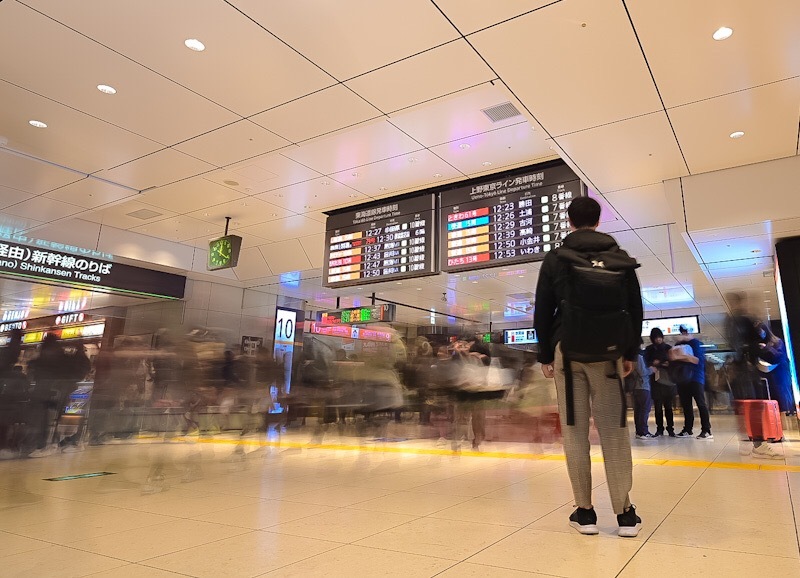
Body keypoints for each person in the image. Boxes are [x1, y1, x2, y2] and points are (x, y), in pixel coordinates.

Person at [534, 196, 644, 538]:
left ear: (569, 221)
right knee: (613, 431)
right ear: (598, 221)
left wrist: (544, 354)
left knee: (575, 431)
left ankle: (585, 512)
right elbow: (634, 308)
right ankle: (624, 514)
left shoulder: (555, 259)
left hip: (568, 352)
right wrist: (629, 353)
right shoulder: (619, 258)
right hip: (608, 355)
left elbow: (543, 307)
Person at [673, 326, 713, 440]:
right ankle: (687, 429)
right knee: (686, 405)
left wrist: (681, 356)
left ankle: (706, 430)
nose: (683, 334)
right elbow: (672, 358)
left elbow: (696, 360)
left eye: (685, 332)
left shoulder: (695, 343)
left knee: (701, 403)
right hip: (682, 379)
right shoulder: (677, 344)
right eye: (682, 332)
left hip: (696, 378)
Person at [754, 321, 795, 414]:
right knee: (776, 394)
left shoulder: (776, 342)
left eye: (761, 332)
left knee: (784, 393)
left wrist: (766, 348)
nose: (760, 335)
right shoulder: (761, 344)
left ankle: (788, 411)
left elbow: (779, 357)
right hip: (770, 374)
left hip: (780, 373)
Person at [644, 328, 675, 437]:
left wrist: (657, 363)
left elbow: (671, 362)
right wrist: (659, 363)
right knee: (658, 407)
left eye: (659, 337)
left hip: (667, 381)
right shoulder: (649, 349)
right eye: (656, 338)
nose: (658, 340)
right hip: (655, 381)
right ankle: (659, 429)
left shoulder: (668, 348)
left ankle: (670, 428)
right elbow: (647, 363)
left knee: (668, 407)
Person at [629, 342, 654, 439]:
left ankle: (639, 431)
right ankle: (643, 431)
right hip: (642, 386)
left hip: (635, 387)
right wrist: (651, 369)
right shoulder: (638, 356)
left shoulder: (630, 357)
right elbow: (643, 372)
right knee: (644, 409)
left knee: (638, 410)